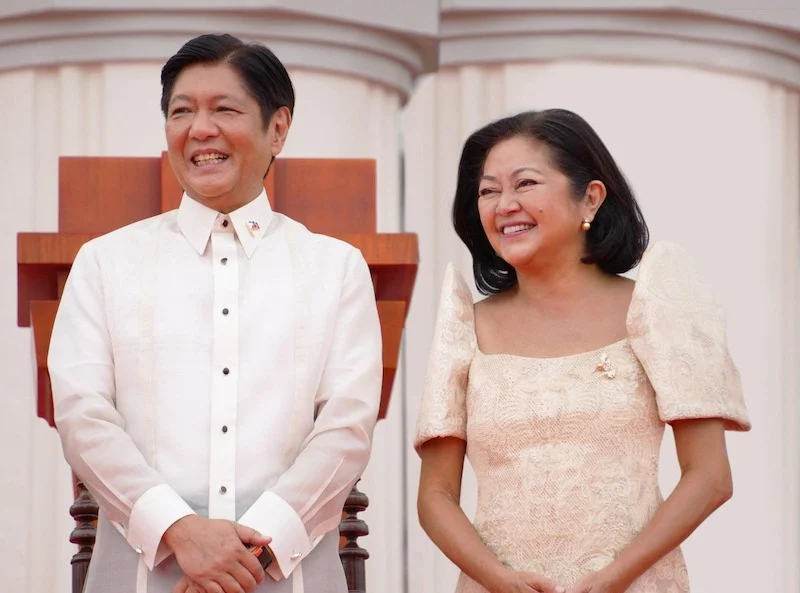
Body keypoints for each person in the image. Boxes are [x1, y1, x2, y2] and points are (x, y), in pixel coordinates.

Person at [48, 33, 382, 593]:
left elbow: (346, 429)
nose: (200, 129)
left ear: (278, 128)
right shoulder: (105, 262)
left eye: (224, 109)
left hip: (287, 573)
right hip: (140, 574)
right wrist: (180, 531)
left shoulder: (337, 268)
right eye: (182, 112)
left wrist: (247, 553)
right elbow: (83, 416)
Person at [415, 109, 750, 593]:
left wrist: (615, 577)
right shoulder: (464, 324)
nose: (504, 205)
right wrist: (499, 579)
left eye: (525, 183)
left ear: (590, 197)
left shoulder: (655, 306)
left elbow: (711, 476)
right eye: (488, 191)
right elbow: (436, 495)